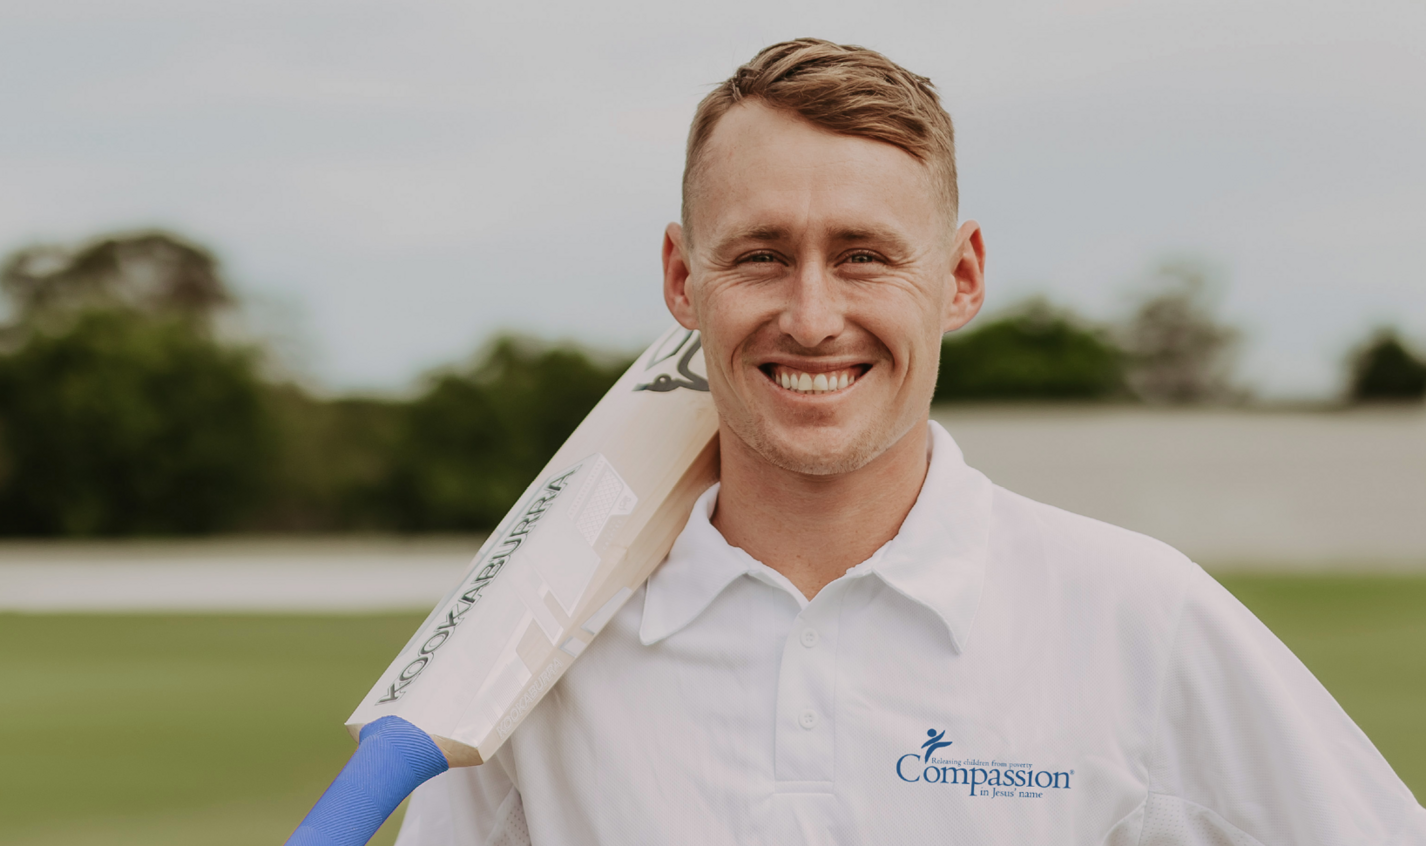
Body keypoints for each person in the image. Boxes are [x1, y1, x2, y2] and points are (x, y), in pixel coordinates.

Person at [393, 38, 1426, 845]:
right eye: (760, 256)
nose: (810, 317)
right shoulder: (533, 651)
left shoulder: (1137, 617)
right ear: (680, 278)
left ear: (960, 278)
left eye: (862, 256)